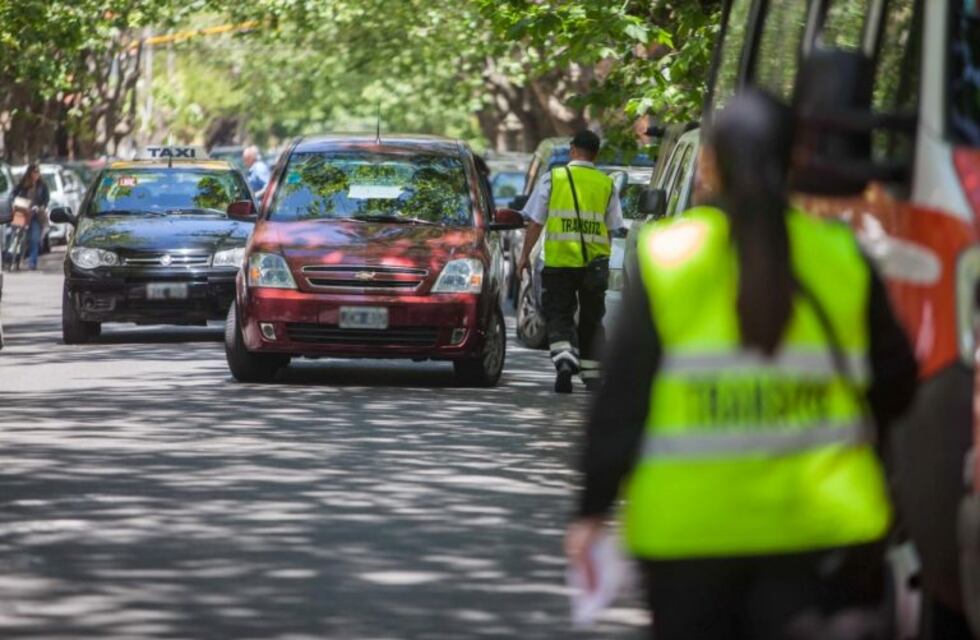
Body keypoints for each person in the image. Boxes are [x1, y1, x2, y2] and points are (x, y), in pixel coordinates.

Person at [565, 90, 919, 639]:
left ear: (709, 164)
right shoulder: (843, 257)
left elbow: (623, 401)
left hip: (689, 542)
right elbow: (898, 383)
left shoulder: (670, 256)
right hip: (827, 540)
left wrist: (591, 511)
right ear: (798, 159)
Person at [517, 130, 624, 393]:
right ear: (596, 154)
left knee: (560, 315)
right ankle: (592, 375)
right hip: (594, 264)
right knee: (592, 318)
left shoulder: (553, 179)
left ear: (572, 150)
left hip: (559, 262)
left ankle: (564, 361)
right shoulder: (606, 184)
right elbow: (611, 229)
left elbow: (535, 223)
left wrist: (524, 257)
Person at [7, 164, 49, 271]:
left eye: (38, 172)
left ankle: (32, 263)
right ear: (30, 173)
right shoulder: (22, 184)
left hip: (35, 215)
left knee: (34, 239)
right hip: (22, 212)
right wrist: (14, 202)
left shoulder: (42, 185)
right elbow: (12, 194)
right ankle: (14, 260)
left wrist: (40, 207)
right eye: (34, 172)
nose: (36, 174)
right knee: (18, 238)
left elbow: (46, 200)